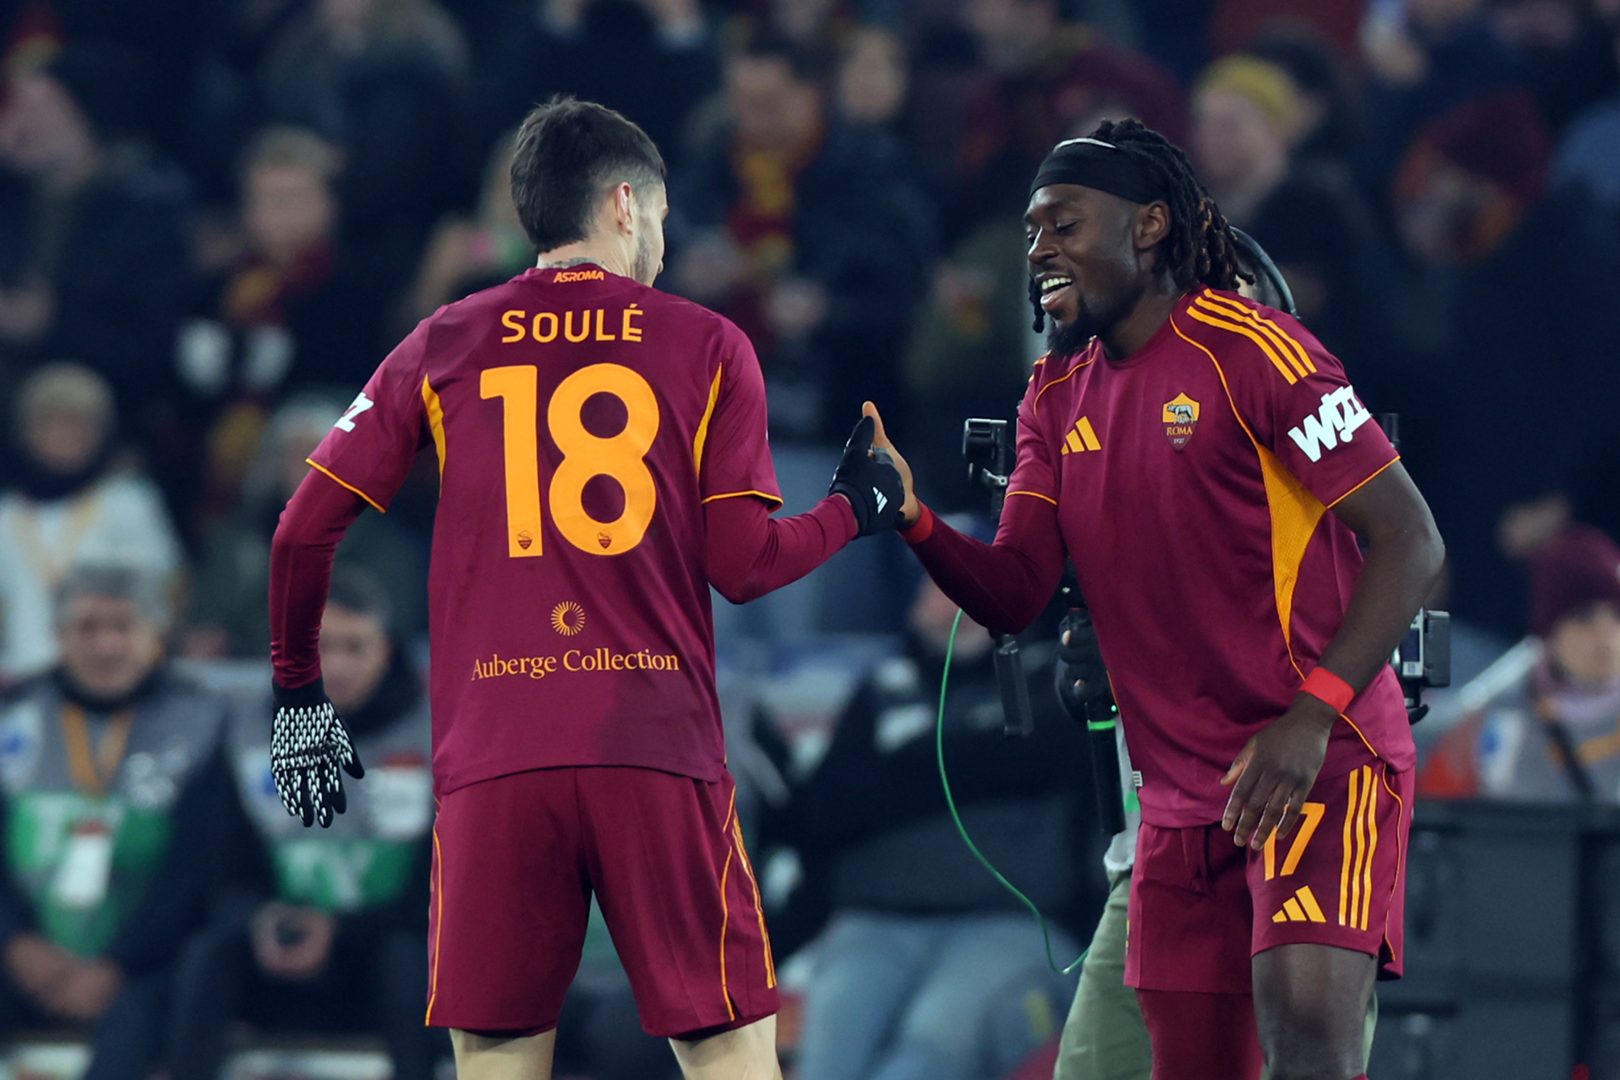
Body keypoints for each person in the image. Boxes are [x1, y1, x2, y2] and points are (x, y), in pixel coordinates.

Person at [264, 97, 903, 1080]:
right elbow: (744, 568)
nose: (662, 243)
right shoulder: (707, 343)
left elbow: (301, 529)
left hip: (495, 757)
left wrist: (299, 692)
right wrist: (855, 508)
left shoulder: (442, 342)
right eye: (660, 216)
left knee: (497, 1058)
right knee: (726, 1048)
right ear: (623, 204)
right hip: (651, 745)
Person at [865, 118, 1445, 1079]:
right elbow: (1014, 593)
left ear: (1149, 227)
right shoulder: (1054, 395)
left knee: (1307, 1026)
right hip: (1179, 799)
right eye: (1031, 232)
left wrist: (1311, 717)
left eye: (1063, 225)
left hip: (1317, 757)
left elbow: (1411, 540)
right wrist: (913, 516)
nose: (1039, 250)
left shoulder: (1259, 352)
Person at [762, 570, 1092, 1080]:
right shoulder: (881, 689)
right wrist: (983, 768)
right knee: (829, 1059)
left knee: (929, 1052)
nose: (923, 587)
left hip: (1011, 922)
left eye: (943, 575)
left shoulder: (1055, 679)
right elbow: (824, 811)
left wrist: (904, 763)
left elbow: (1058, 757)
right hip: (875, 919)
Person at [171, 568, 440, 1080]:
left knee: (407, 961)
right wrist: (261, 920)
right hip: (282, 956)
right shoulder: (252, 734)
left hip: (383, 959)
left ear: (386, 650)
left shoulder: (436, 737)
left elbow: (445, 889)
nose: (335, 666)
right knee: (208, 956)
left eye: (354, 647)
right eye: (319, 648)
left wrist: (342, 931)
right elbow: (220, 871)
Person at [0, 563, 227, 1080]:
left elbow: (195, 871)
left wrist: (118, 963)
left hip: (143, 964)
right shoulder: (13, 717)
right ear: (58, 636)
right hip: (21, 953)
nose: (106, 645)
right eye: (87, 627)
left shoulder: (199, 722)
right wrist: (16, 944)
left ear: (156, 633)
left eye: (124, 626)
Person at [0, 364, 184, 683]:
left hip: (112, 681)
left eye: (78, 424)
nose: (64, 436)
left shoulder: (129, 504)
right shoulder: (7, 515)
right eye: (50, 423)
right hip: (19, 681)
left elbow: (162, 597)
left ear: (102, 434)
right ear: (25, 433)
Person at [1421, 525, 1620, 802]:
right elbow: (1439, 812)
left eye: (1617, 614)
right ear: (1549, 632)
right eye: (1583, 617)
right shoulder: (1486, 720)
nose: (1607, 634)